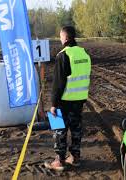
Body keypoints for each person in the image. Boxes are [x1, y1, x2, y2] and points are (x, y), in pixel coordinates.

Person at [44, 26, 91, 171]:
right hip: (80, 99)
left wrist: (53, 104)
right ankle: (75, 158)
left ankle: (59, 161)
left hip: (64, 101)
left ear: (65, 38)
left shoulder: (63, 55)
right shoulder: (84, 53)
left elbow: (58, 83)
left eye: (60, 36)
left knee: (59, 129)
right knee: (76, 129)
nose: (60, 39)